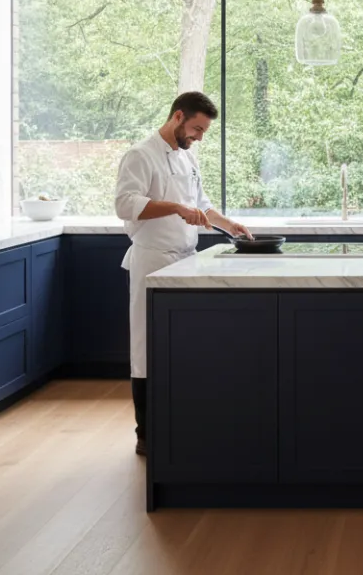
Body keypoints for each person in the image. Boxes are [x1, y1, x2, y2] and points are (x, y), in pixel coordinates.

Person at [114, 91, 251, 456]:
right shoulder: (140, 155)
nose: (199, 136)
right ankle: (146, 432)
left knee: (182, 343)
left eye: (203, 131)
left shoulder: (187, 158)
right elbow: (124, 204)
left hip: (185, 259)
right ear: (178, 117)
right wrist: (176, 207)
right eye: (196, 128)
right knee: (146, 345)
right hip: (152, 261)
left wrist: (230, 224)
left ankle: (183, 418)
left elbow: (201, 206)